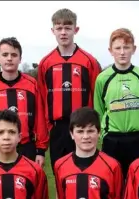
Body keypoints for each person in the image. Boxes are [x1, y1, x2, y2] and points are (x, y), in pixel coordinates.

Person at [37, 8, 102, 173]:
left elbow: (97, 97)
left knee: (86, 175)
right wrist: (48, 130)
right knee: (60, 176)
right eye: (59, 28)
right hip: (58, 129)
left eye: (68, 27)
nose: (63, 32)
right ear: (53, 31)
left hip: (83, 128)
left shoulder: (89, 61)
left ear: (76, 29)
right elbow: (42, 101)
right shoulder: (46, 63)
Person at [94, 28, 139, 179]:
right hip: (113, 140)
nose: (122, 52)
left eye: (126, 47)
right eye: (118, 48)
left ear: (134, 49)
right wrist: (104, 135)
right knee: (113, 184)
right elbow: (99, 110)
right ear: (110, 50)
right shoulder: (102, 78)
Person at [0, 37, 48, 166]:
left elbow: (40, 118)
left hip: (27, 147)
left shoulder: (32, 84)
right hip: (0, 148)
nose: (9, 58)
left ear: (20, 58)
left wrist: (41, 149)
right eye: (5, 55)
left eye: (14, 55)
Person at [53, 107, 123, 199]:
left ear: (99, 133)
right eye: (80, 131)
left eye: (90, 131)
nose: (86, 136)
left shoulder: (112, 166)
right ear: (71, 134)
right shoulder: (60, 165)